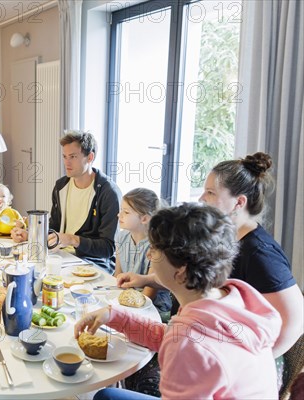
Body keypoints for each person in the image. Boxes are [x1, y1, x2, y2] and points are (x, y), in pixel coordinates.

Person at [76, 203, 281, 399]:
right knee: (107, 395)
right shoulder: (229, 300)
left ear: (181, 271)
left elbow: (182, 341)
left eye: (155, 249)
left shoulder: (187, 346)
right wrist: (113, 315)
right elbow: (171, 335)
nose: (148, 253)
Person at [119, 152, 303, 357]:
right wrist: (146, 279)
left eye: (210, 192)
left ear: (239, 203)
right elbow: (197, 279)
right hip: (191, 337)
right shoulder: (218, 235)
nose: (201, 198)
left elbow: (295, 320)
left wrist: (249, 360)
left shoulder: (260, 254)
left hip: (219, 355)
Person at [11, 130, 122, 273]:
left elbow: (108, 248)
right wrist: (32, 235)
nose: (66, 162)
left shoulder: (108, 193)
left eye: (73, 157)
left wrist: (72, 240)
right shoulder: (61, 186)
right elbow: (55, 226)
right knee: (23, 268)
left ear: (90, 157)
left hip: (92, 263)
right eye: (64, 156)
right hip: (61, 256)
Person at [114, 188, 171, 318]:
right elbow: (118, 276)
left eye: (126, 212)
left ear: (144, 218)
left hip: (154, 309)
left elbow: (149, 293)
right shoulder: (121, 238)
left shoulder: (156, 245)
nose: (119, 215)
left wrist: (123, 311)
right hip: (127, 302)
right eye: (121, 209)